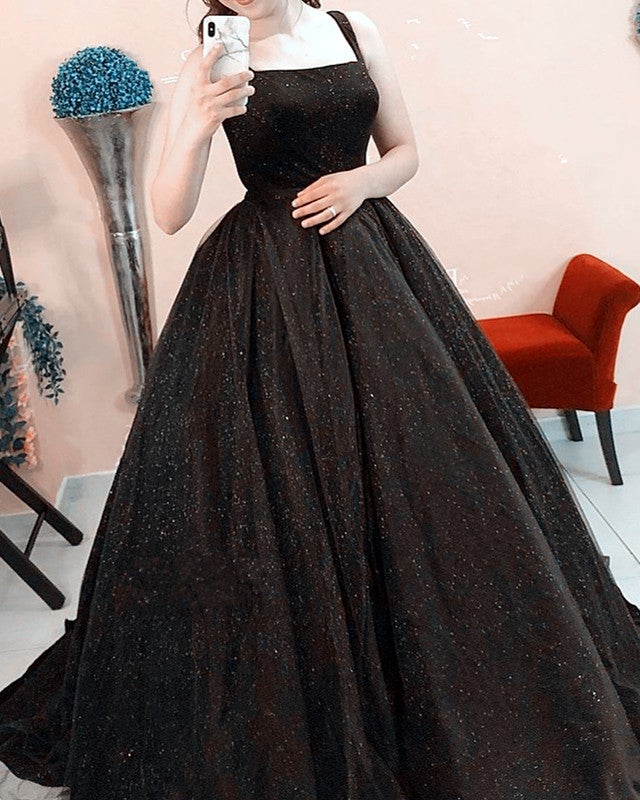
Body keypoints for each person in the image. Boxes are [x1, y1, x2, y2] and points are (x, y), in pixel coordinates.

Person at [2, 1, 640, 798]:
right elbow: (167, 212)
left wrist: (360, 182)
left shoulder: (351, 29)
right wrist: (195, 124)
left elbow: (405, 152)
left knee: (426, 476)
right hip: (261, 282)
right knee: (276, 488)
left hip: (373, 263)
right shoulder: (212, 56)